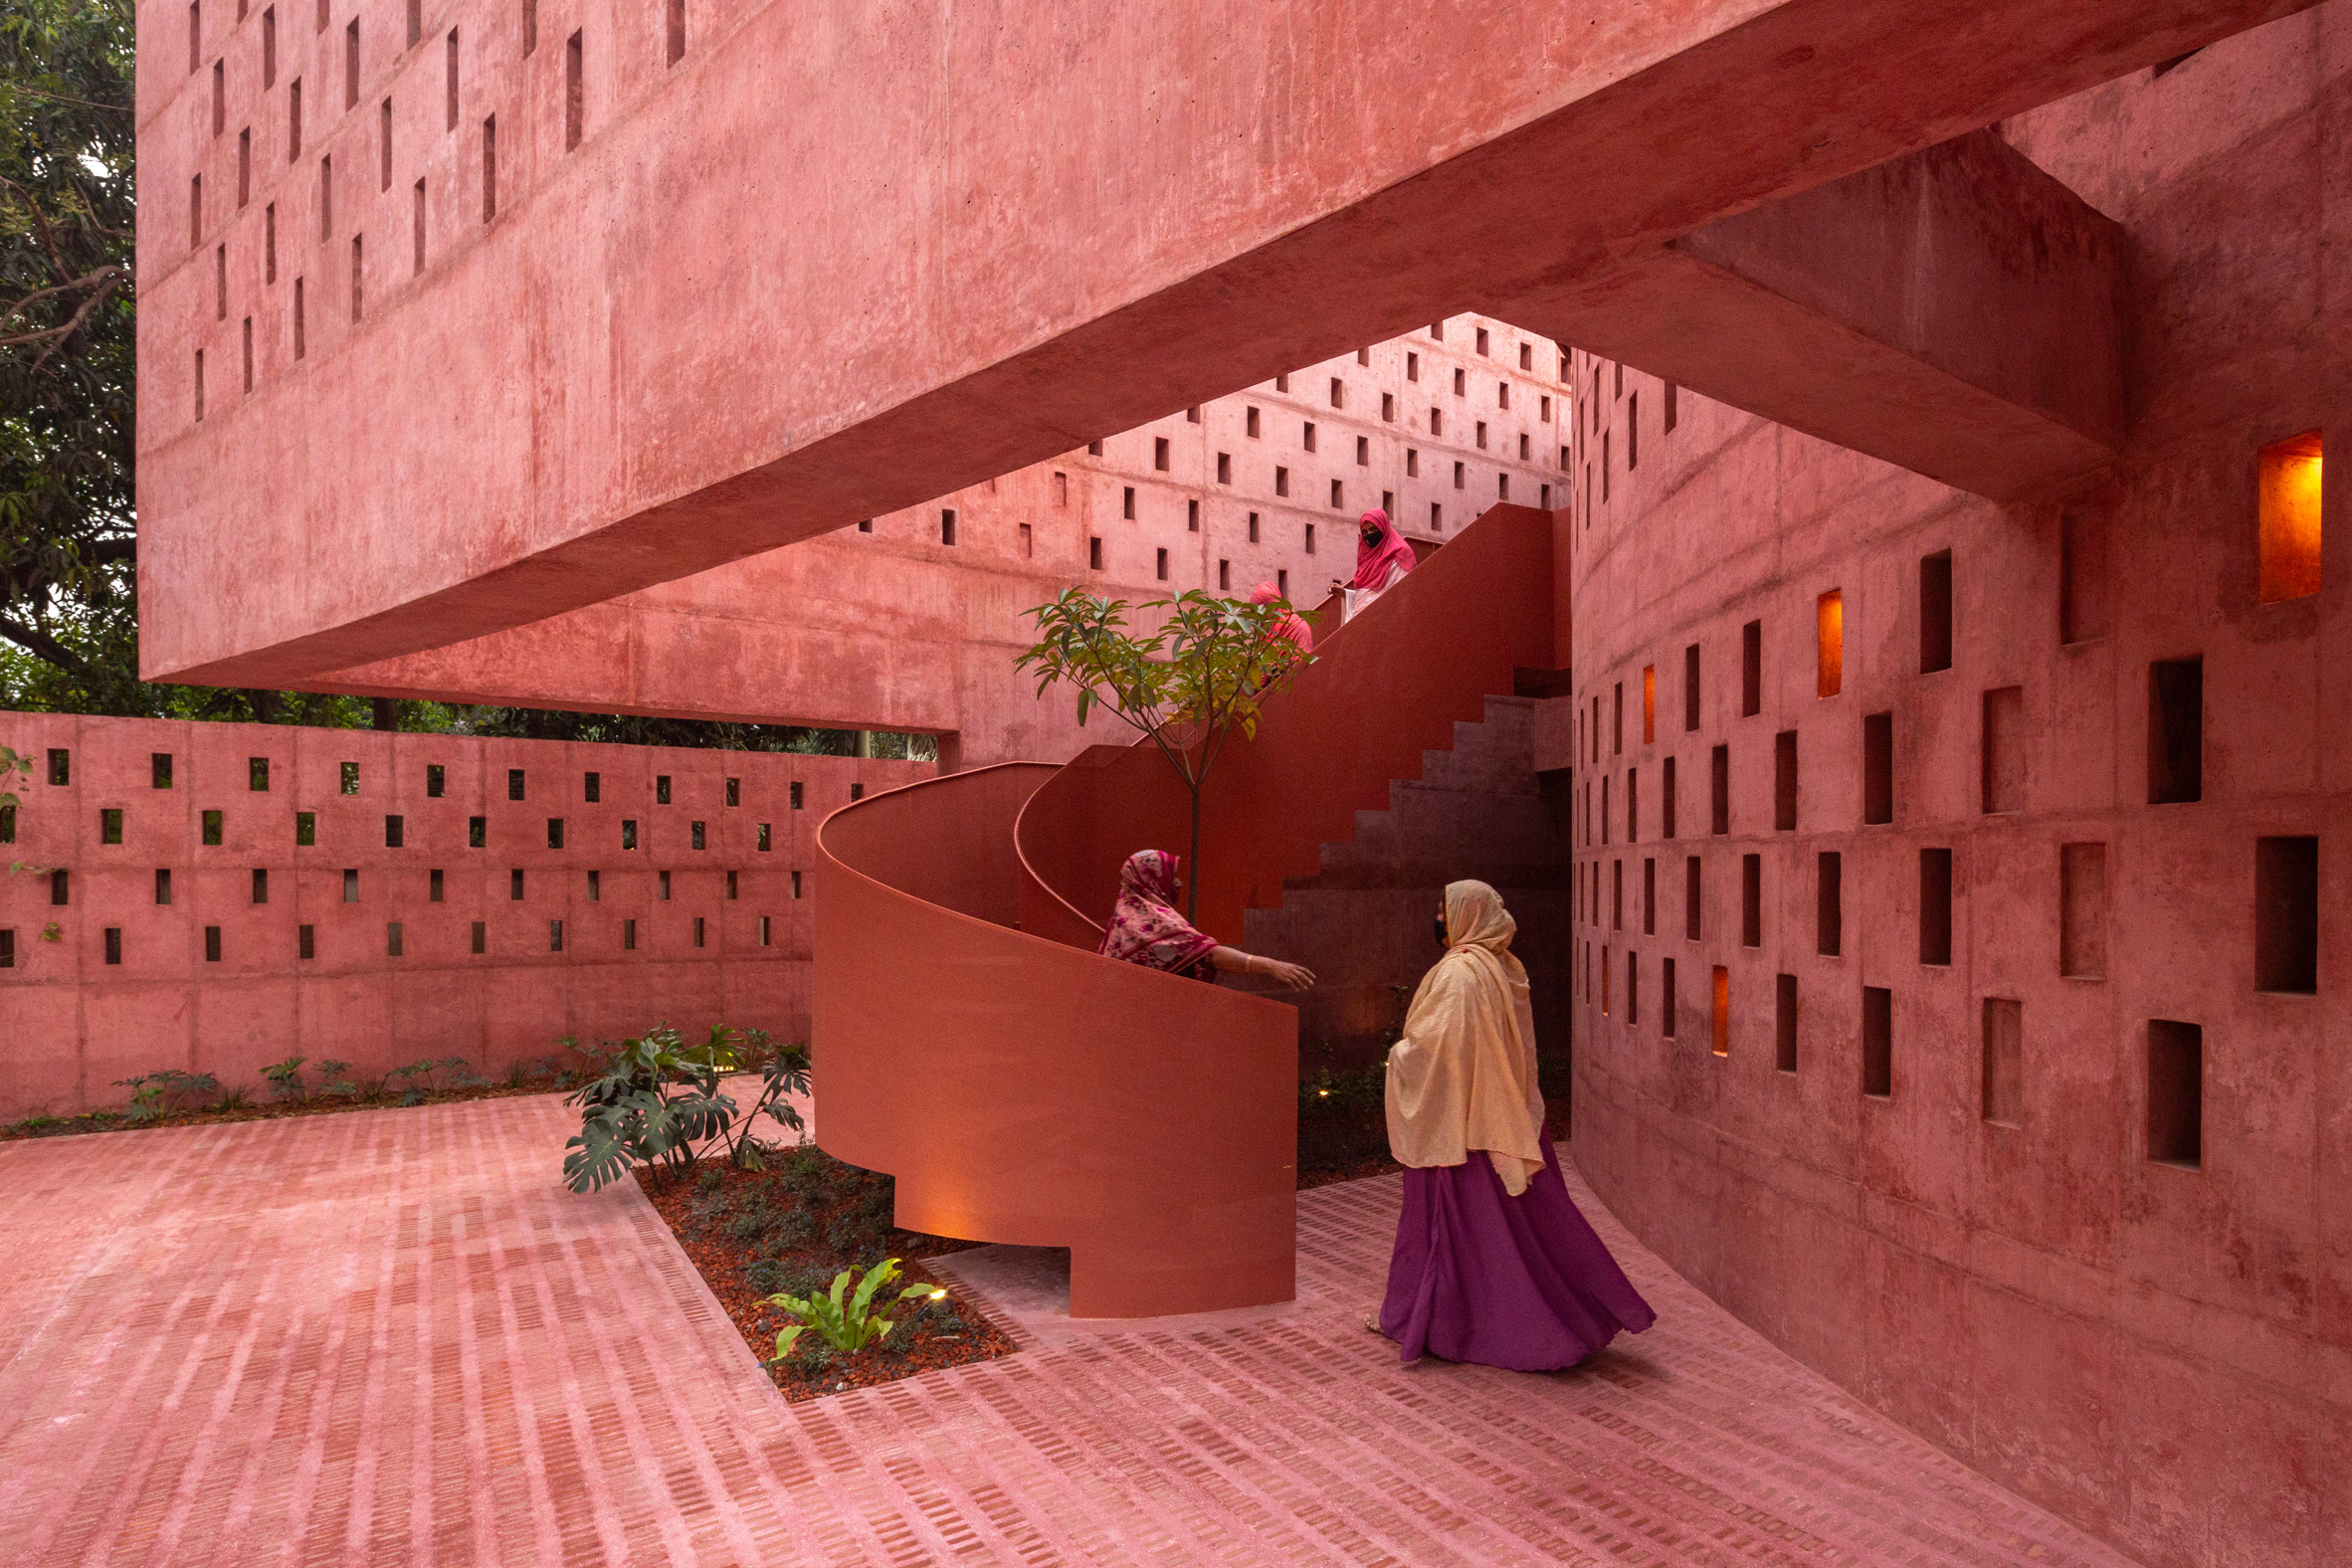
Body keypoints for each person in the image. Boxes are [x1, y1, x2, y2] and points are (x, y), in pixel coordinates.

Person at [1373, 880, 1656, 1369]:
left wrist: (1401, 1057)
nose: (1439, 917)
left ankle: (1473, 1327)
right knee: (1530, 1231)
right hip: (1501, 1115)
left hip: (1464, 1130)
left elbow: (1444, 1049)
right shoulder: (1500, 964)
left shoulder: (1462, 973)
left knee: (1477, 1235)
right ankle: (1556, 1318)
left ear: (1465, 914)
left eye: (1444, 909)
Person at [1098, 850, 1315, 989]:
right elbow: (1209, 955)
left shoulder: (1123, 920)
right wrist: (1270, 965)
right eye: (1170, 876)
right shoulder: (1152, 920)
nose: (1179, 883)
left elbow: (1171, 954)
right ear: (1151, 879)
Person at [1332, 508, 1417, 623]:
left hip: (1387, 625)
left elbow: (1402, 596)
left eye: (1373, 529)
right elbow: (1366, 597)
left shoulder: (1401, 554)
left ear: (1383, 528)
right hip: (1363, 625)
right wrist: (1346, 594)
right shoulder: (1367, 559)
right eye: (1365, 532)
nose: (1369, 535)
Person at [1249, 581, 1313, 655]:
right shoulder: (1265, 634)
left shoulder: (1298, 627)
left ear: (1272, 606)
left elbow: (1302, 662)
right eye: (1255, 614)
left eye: (1261, 611)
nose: (1258, 619)